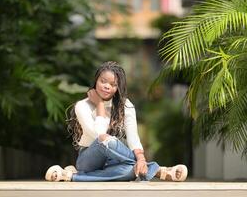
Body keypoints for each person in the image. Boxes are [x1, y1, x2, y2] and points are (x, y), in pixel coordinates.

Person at [45, 61, 188, 182]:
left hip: (114, 161)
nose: (107, 86)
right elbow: (98, 136)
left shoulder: (126, 105)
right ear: (96, 81)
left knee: (131, 172)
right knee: (107, 140)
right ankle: (157, 171)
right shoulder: (82, 106)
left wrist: (141, 159)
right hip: (88, 159)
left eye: (113, 84)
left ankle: (72, 176)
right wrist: (100, 105)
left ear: (118, 88)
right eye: (103, 81)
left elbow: (133, 137)